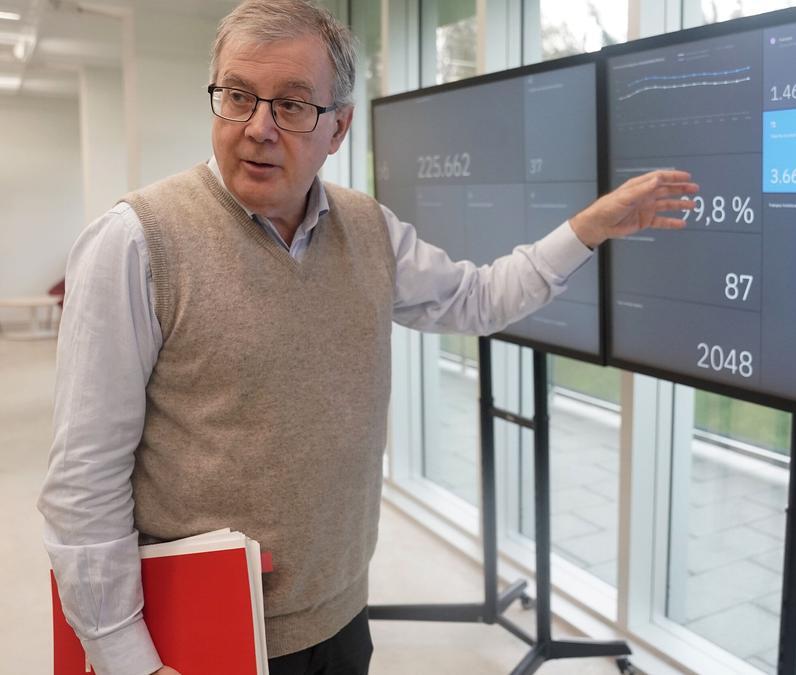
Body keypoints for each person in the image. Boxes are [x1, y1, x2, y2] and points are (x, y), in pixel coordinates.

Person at [36, 1, 697, 674]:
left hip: (342, 618)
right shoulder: (136, 242)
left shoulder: (369, 229)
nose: (258, 128)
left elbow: (478, 299)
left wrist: (590, 227)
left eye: (292, 105)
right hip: (202, 634)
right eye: (237, 96)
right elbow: (83, 482)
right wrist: (129, 660)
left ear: (340, 127)